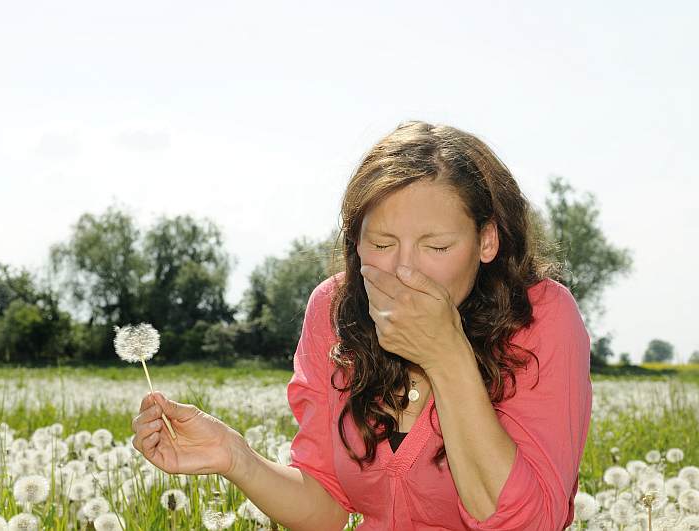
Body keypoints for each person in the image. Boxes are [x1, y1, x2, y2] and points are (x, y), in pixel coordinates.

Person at [131, 121, 593, 530]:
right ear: (355, 241)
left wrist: (447, 357)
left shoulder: (541, 318)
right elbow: (326, 505)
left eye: (436, 247)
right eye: (382, 243)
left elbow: (527, 522)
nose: (404, 271)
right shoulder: (334, 310)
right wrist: (236, 458)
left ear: (486, 240)